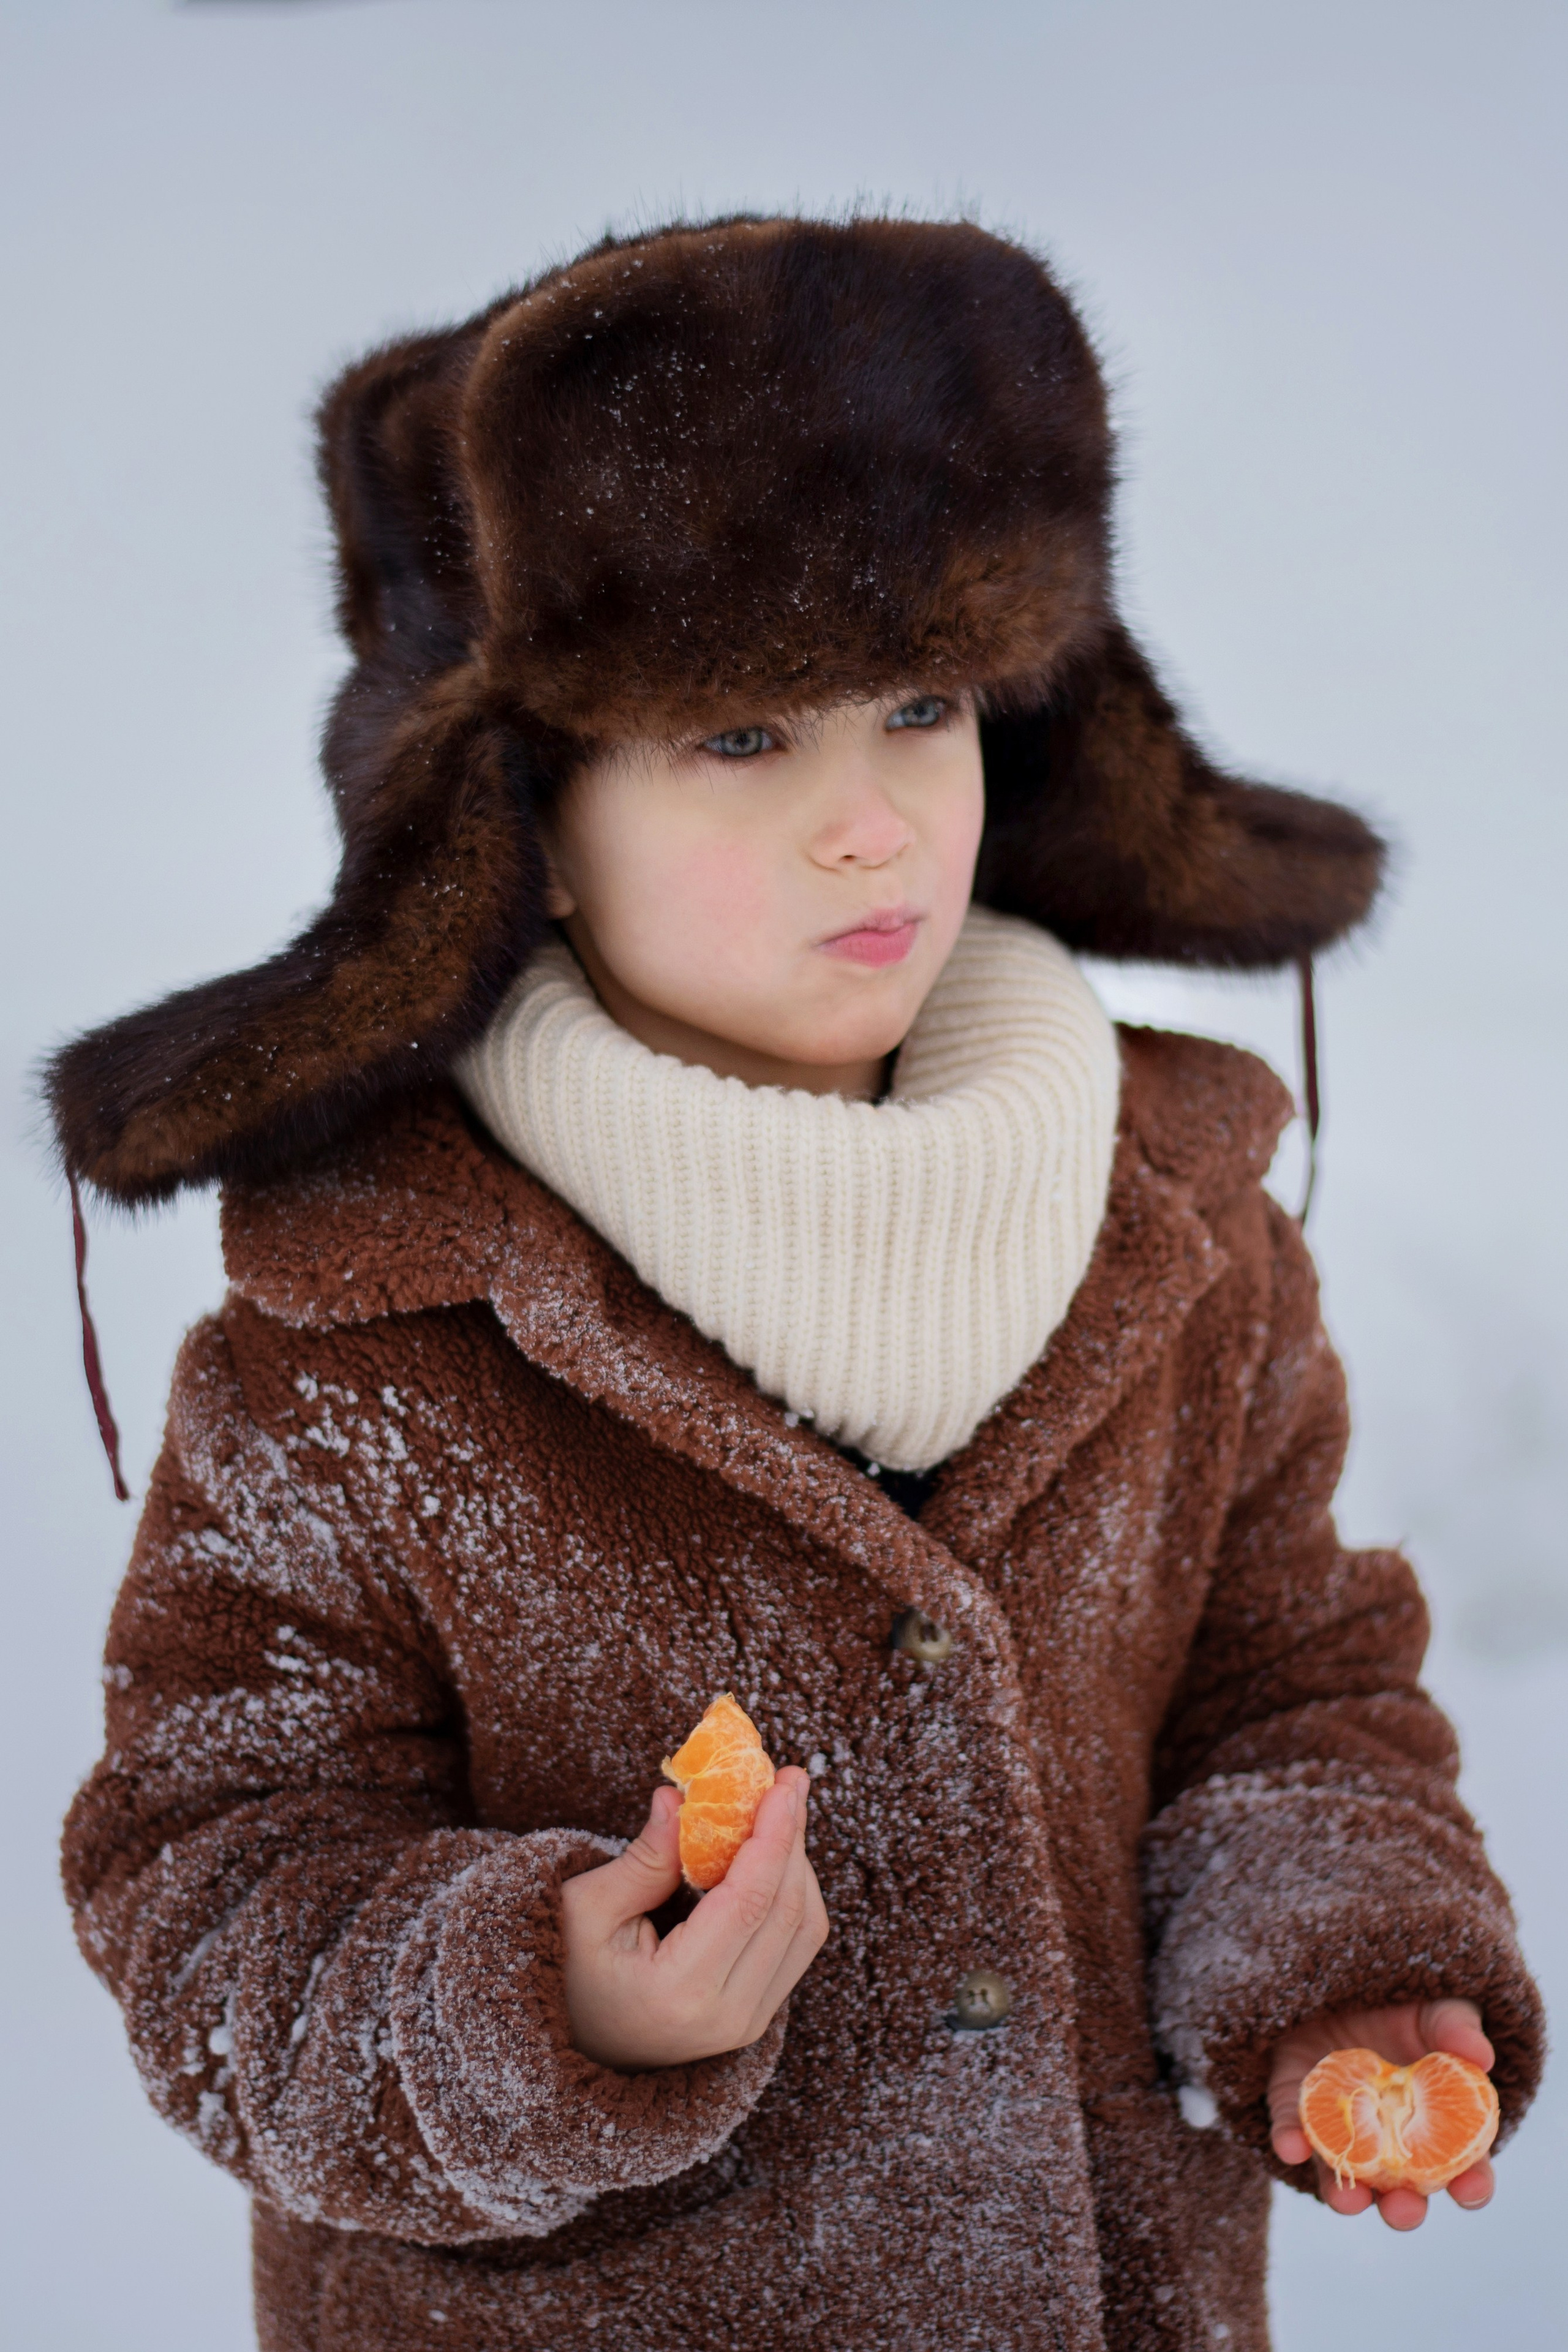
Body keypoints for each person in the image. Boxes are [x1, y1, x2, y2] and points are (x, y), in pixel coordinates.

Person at [50, 217, 1542, 2352]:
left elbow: (1289, 1698)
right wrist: (535, 1994)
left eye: (920, 708)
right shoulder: (355, 1351)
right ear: (532, 824)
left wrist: (1348, 1965)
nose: (873, 826)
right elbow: (207, 1899)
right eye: (747, 738)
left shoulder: (1185, 1243)